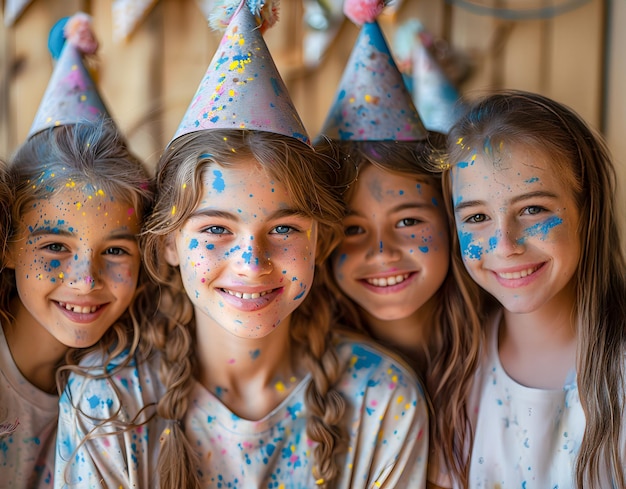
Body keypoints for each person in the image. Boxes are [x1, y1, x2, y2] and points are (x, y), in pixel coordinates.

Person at [54, 2, 429, 488]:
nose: (252, 263)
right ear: (168, 241)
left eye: (284, 229)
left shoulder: (382, 399)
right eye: (215, 230)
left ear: (320, 240)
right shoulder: (106, 402)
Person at [315, 1, 480, 486]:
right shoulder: (318, 380)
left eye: (407, 220)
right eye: (352, 228)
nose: (382, 251)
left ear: (450, 220)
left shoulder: (504, 356)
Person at [441, 89, 626, 487]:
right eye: (476, 216)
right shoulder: (455, 373)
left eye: (532, 209)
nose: (504, 245)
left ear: (586, 209)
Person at [0, 13, 153, 489]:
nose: (86, 280)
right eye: (54, 246)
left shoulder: (125, 381)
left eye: (115, 251)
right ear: (6, 246)